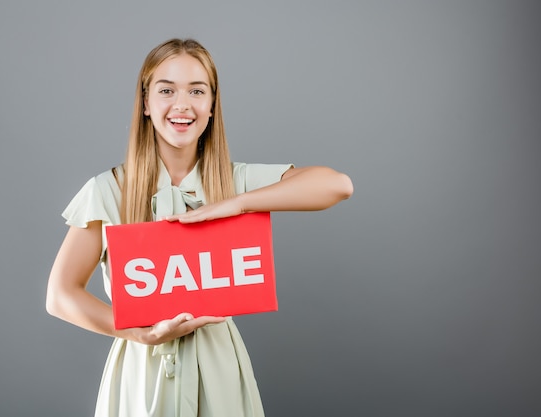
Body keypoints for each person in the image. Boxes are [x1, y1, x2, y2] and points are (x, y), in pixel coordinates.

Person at [46, 38, 353, 417]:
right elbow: (60, 295)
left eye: (196, 90)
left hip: (219, 370)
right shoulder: (109, 190)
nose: (182, 104)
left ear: (211, 105)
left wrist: (236, 204)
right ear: (145, 103)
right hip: (142, 374)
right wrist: (140, 333)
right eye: (166, 90)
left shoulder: (234, 181)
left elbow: (338, 185)